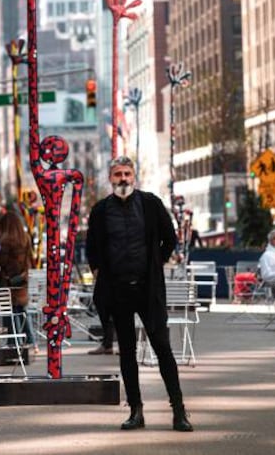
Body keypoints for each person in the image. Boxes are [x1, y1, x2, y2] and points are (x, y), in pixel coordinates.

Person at [86, 156, 193, 432]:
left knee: (163, 349)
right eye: (118, 174)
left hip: (148, 290)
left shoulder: (151, 204)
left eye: (127, 173)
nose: (123, 178)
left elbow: (170, 239)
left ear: (134, 177)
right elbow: (92, 249)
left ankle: (179, 411)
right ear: (110, 178)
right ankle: (136, 411)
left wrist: (155, 264)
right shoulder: (100, 211)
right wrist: (100, 273)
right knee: (127, 354)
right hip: (118, 291)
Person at [0, 210, 38, 353]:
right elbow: (30, 258)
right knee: (23, 310)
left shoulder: (5, 242)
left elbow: (2, 262)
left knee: (10, 312)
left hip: (8, 281)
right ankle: (31, 340)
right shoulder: (25, 238)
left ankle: (13, 341)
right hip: (22, 279)